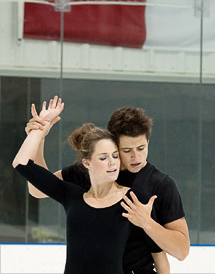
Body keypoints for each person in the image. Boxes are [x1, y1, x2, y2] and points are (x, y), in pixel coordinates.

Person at [12, 97, 169, 274]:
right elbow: (22, 164)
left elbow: (159, 257)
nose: (112, 163)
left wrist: (148, 223)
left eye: (115, 156)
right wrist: (40, 130)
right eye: (103, 158)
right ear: (86, 163)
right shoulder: (71, 195)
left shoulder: (135, 199)